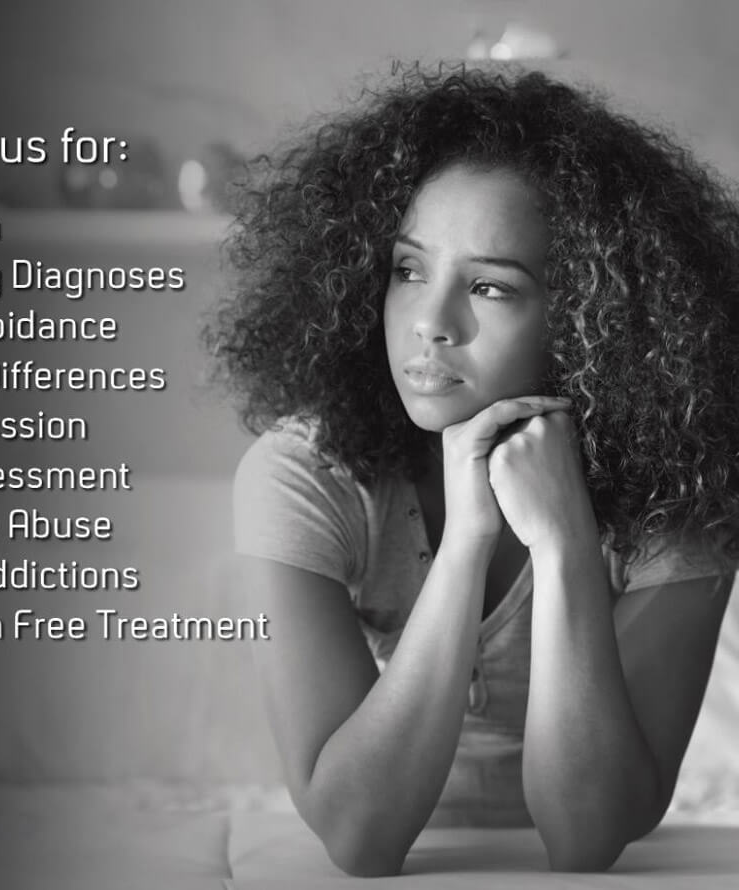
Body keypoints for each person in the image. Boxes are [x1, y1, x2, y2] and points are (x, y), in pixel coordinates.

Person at [204, 63, 738, 877]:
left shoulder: (686, 485)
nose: (430, 325)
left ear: (593, 316)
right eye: (409, 270)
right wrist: (467, 543)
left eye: (489, 286)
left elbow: (586, 839)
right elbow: (359, 838)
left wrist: (562, 546)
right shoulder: (302, 474)